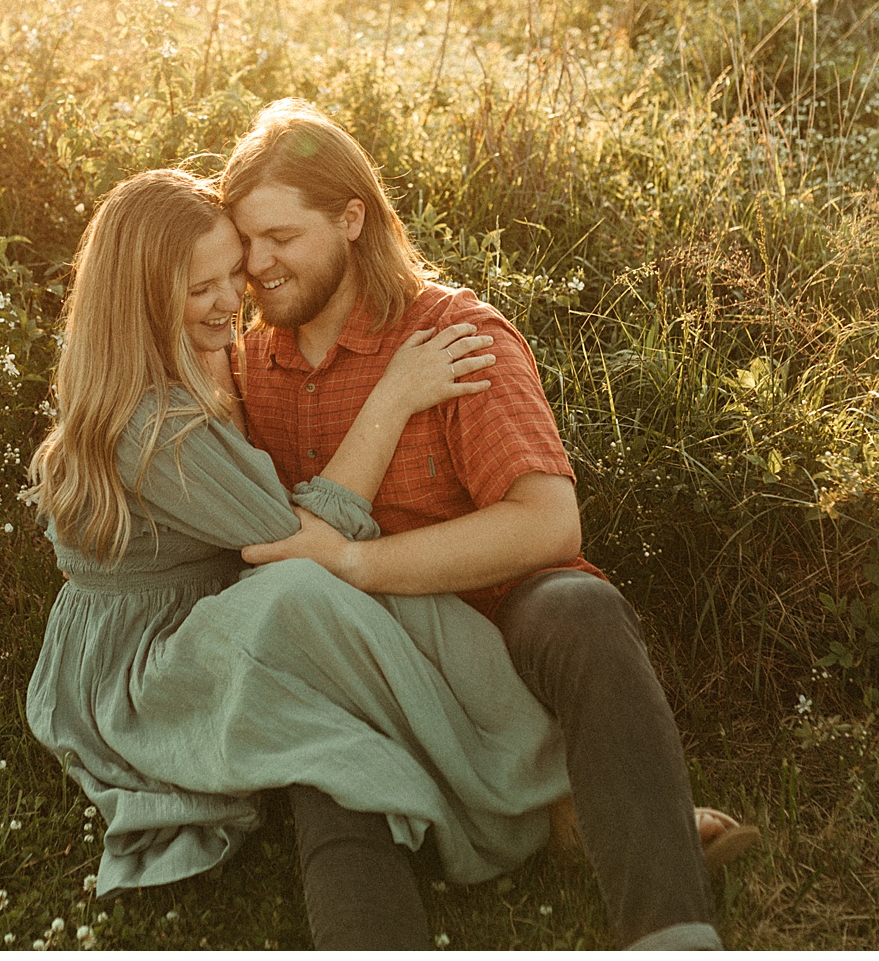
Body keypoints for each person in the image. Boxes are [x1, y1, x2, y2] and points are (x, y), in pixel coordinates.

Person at [221, 100, 754, 951]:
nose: (259, 264)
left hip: (497, 632)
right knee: (325, 749)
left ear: (351, 219)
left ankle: (671, 933)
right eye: (245, 241)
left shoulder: (455, 337)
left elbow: (548, 524)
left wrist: (360, 562)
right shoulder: (248, 366)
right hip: (362, 656)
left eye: (281, 237)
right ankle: (551, 818)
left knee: (580, 611)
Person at [23, 168, 576, 915]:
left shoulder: (196, 361)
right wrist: (393, 396)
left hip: (207, 614)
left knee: (386, 587)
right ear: (143, 304)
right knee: (312, 587)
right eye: (201, 290)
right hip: (144, 671)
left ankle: (549, 779)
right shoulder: (151, 427)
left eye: (233, 274)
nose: (232, 300)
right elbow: (295, 537)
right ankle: (509, 795)